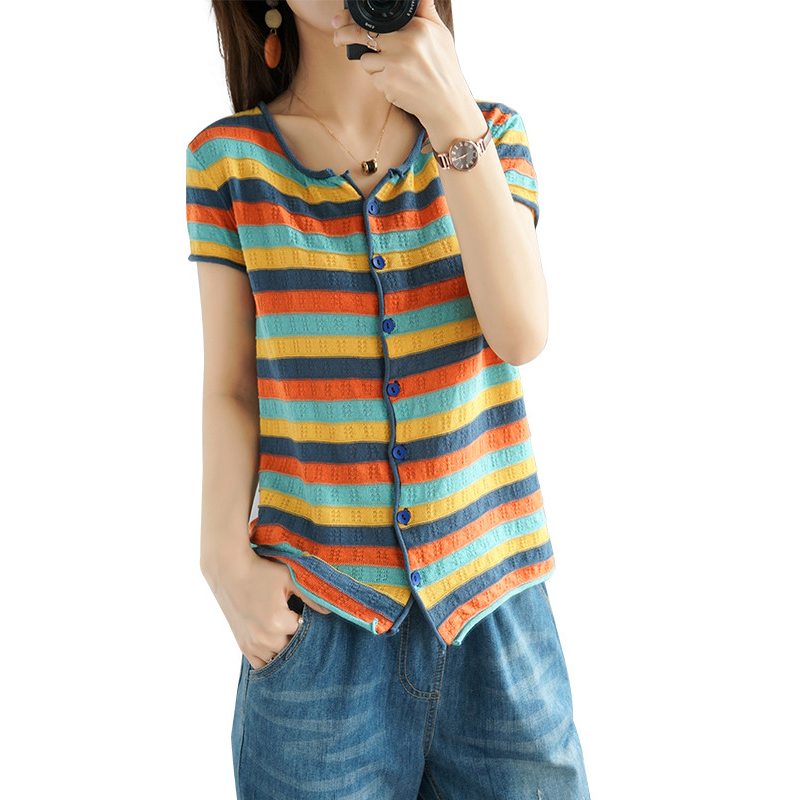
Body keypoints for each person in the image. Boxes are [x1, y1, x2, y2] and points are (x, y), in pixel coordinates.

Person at [185, 1, 591, 797]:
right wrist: (221, 557)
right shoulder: (229, 162)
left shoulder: (489, 135)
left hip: (497, 615)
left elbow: (520, 333)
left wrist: (452, 116)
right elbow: (230, 385)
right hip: (318, 632)